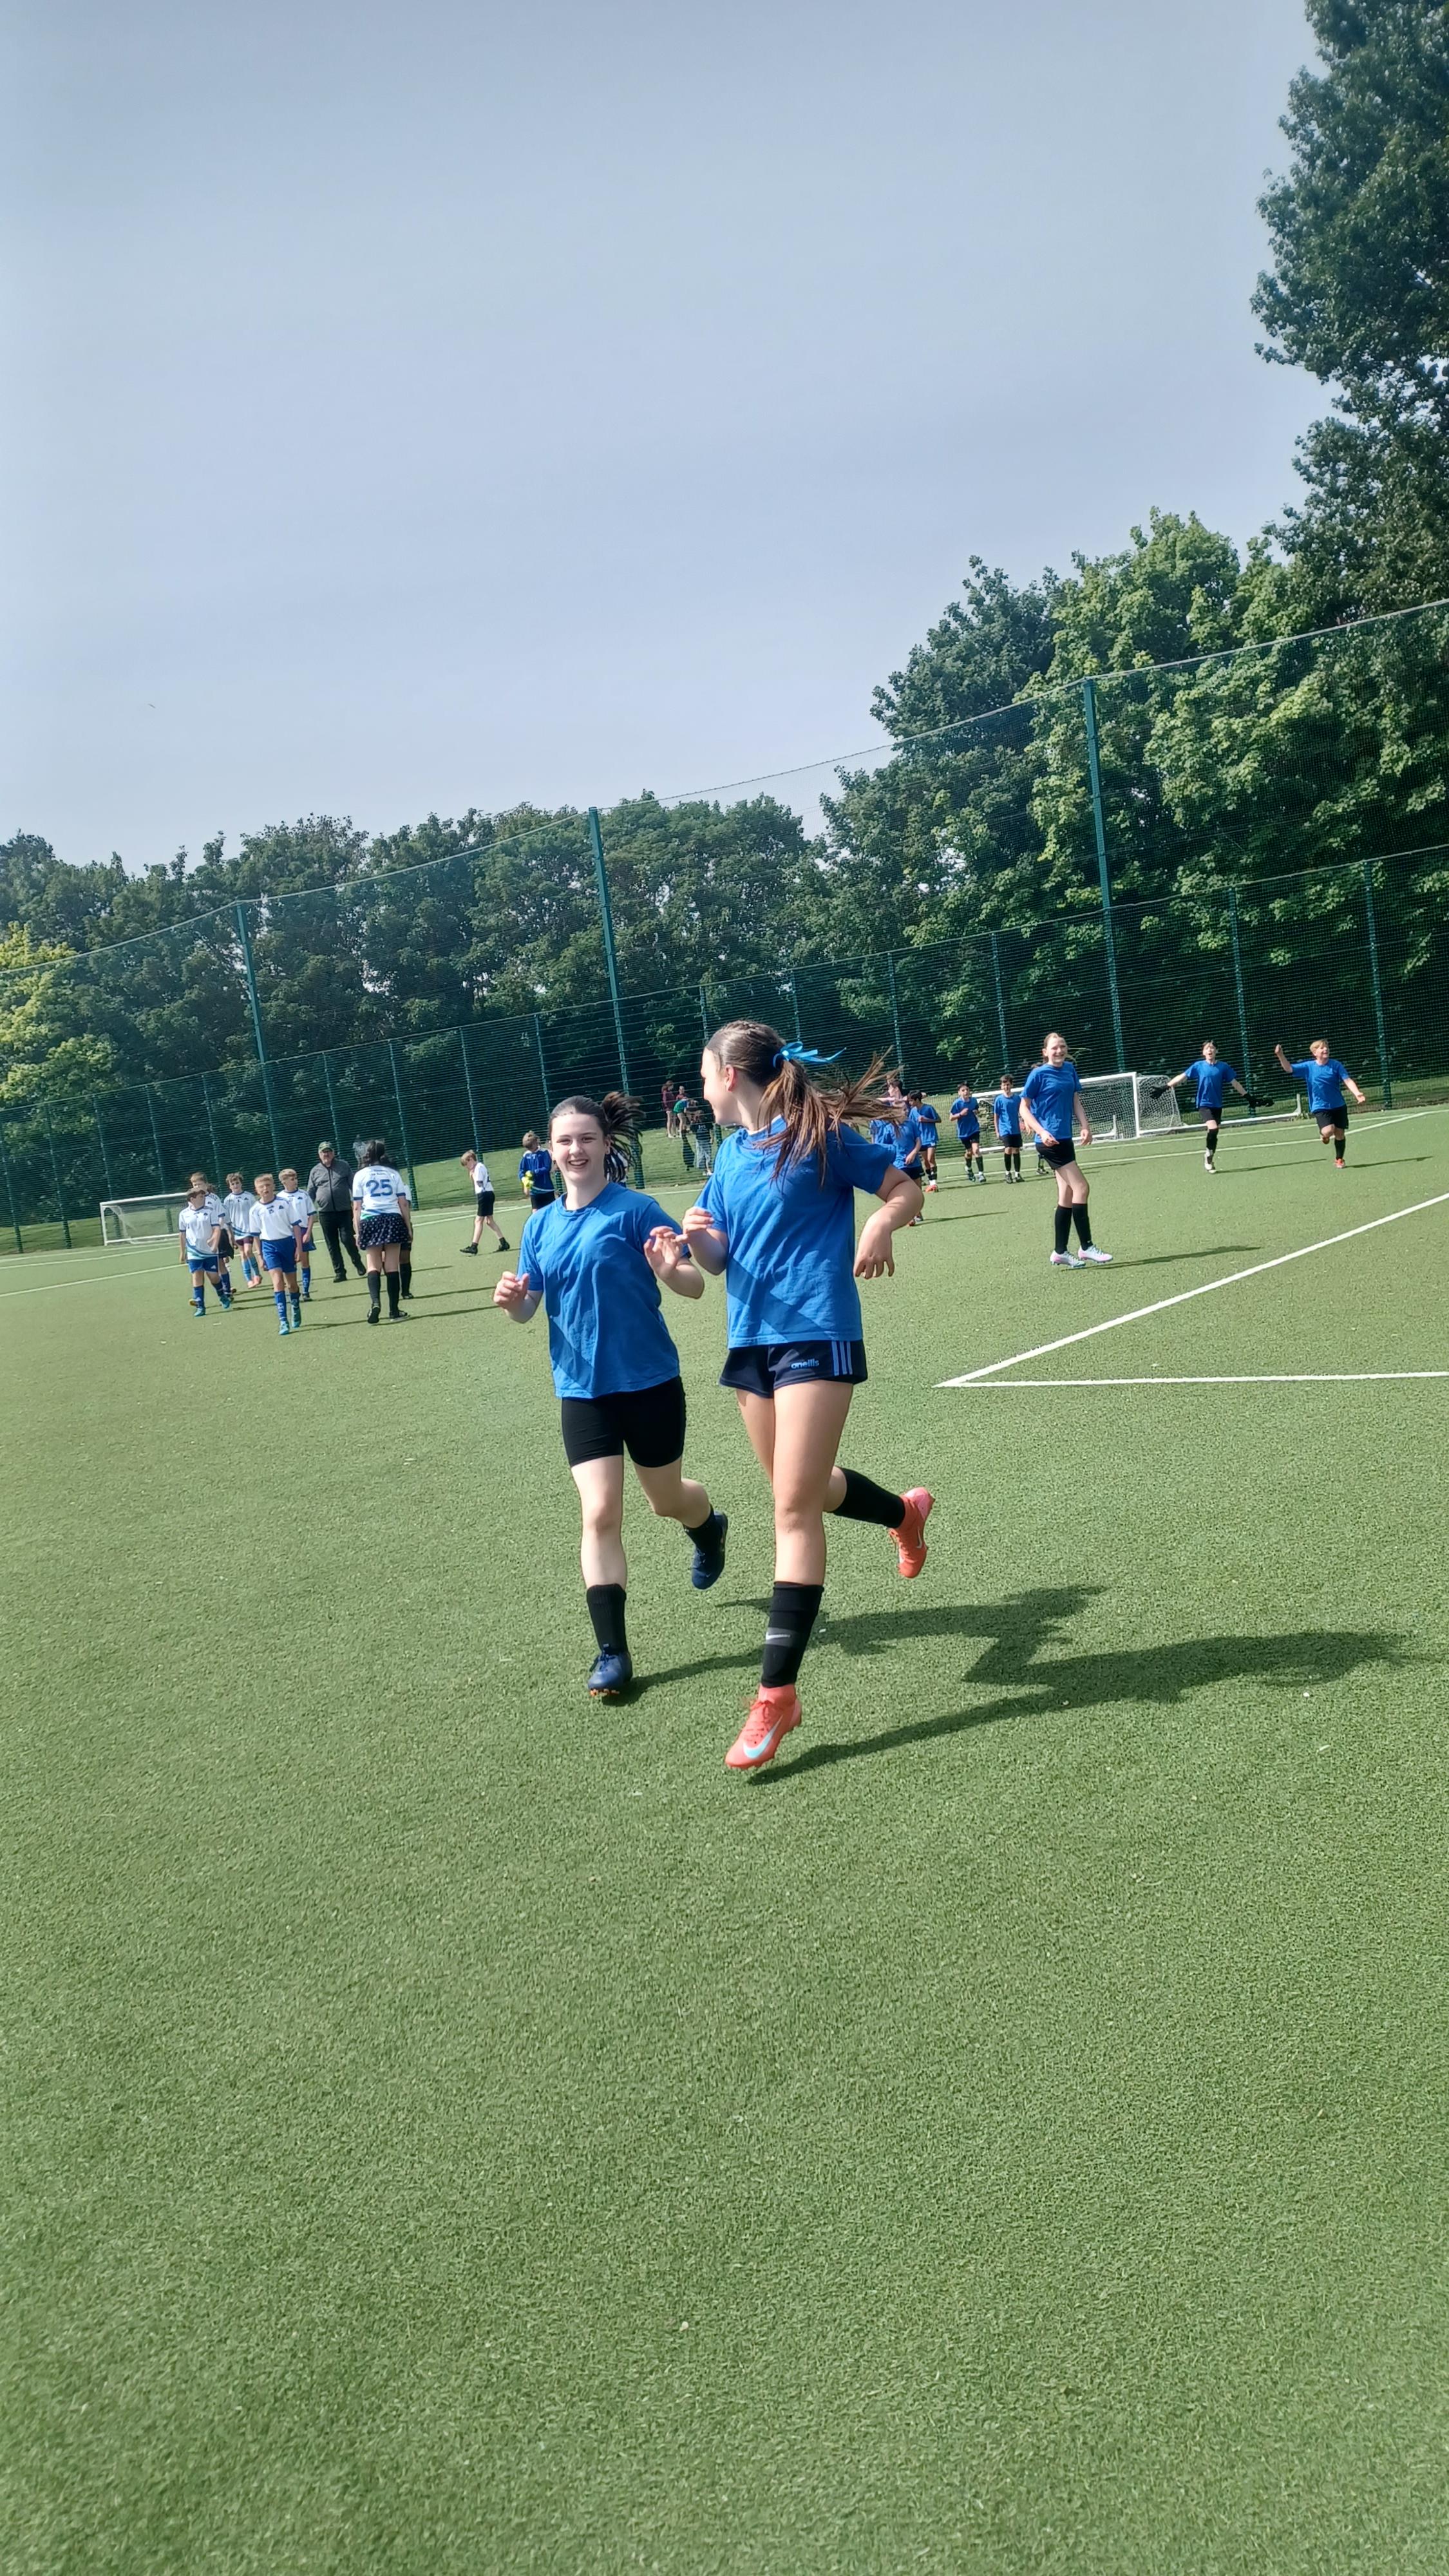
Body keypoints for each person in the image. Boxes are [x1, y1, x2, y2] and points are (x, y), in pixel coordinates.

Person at [683, 1023, 931, 1774]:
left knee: (791, 1509)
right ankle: (903, 1514)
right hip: (750, 1342)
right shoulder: (730, 1156)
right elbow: (719, 1258)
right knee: (806, 1490)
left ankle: (776, 1695)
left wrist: (882, 1222)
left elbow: (904, 1187)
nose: (699, 1088)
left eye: (703, 1074)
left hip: (818, 1333)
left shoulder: (817, 1135)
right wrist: (693, 1240)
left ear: (730, 1074)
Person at [495, 1091, 727, 1700]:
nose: (575, 1150)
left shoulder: (636, 1210)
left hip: (650, 1383)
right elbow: (528, 1308)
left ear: (604, 1145)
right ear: (550, 1151)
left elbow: (694, 1285)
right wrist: (514, 1302)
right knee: (599, 1512)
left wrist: (668, 1268)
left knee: (666, 1500)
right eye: (564, 1141)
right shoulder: (539, 1225)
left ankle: (708, 1527)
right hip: (582, 1392)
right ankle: (613, 1653)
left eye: (586, 1139)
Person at [1019, 1033, 1112, 1269]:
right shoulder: (1038, 1075)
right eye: (1054, 1048)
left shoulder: (1070, 1070)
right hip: (1049, 1142)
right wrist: (1041, 1132)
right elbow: (1024, 1108)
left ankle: (1060, 1252)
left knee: (1067, 1195)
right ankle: (1086, 1247)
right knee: (1082, 1187)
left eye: (1062, 1046)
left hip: (1065, 1138)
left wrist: (1085, 1125)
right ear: (1045, 1052)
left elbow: (1075, 1100)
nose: (1059, 1051)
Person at [1274, 1038, 1367, 1166]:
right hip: (1320, 1106)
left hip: (1338, 1105)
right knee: (1329, 1131)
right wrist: (1280, 1055)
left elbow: (1347, 1080)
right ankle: (1324, 1135)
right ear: (1315, 1053)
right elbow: (1289, 1068)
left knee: (1340, 1134)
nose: (1325, 1049)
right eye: (1322, 1048)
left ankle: (1339, 1159)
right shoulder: (1308, 1067)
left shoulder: (1336, 1065)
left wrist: (1357, 1093)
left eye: (1326, 1047)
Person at [1162, 1041, 1250, 1170]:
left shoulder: (1223, 1067)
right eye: (1207, 1049)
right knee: (1213, 1128)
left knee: (1214, 1132)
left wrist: (1247, 1096)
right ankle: (1208, 1155)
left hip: (1217, 1105)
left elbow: (1235, 1083)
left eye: (1212, 1048)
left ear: (1216, 1051)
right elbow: (1182, 1077)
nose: (1210, 1050)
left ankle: (1209, 1156)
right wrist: (1166, 1086)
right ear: (1203, 1052)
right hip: (1204, 1104)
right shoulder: (1198, 1066)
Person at [352, 1141, 412, 1323]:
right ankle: (394, 1310)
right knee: (392, 1267)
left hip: (370, 1220)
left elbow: (357, 1207)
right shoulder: (393, 1173)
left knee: (373, 1265)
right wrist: (408, 1227)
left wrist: (358, 1232)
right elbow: (403, 1203)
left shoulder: (360, 1175)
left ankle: (375, 1302)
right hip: (393, 1219)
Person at [251, 1173, 303, 1333]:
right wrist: (260, 1256)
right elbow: (256, 1235)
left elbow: (296, 1226)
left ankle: (295, 1306)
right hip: (269, 1247)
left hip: (287, 1244)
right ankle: (283, 1321)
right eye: (261, 1187)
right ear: (257, 1190)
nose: (265, 1189)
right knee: (278, 1282)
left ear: (274, 1186)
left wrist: (299, 1248)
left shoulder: (285, 1203)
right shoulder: (255, 1210)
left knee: (292, 1285)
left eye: (268, 1185)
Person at [308, 1144, 366, 1282]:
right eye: (323, 1152)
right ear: (319, 1155)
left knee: (348, 1239)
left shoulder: (343, 1166)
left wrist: (360, 1202)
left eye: (329, 1151)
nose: (326, 1154)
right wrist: (307, 1209)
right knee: (332, 1244)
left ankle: (357, 1262)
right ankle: (340, 1272)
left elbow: (353, 1185)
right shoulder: (315, 1171)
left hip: (344, 1211)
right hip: (325, 1213)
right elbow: (311, 1192)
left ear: (333, 1153)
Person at [177, 1184, 230, 1316]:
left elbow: (217, 1229)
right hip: (194, 1251)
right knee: (197, 1275)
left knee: (213, 1277)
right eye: (201, 1197)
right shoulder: (184, 1214)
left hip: (209, 1251)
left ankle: (222, 1295)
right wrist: (182, 1252)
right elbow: (182, 1234)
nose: (204, 1198)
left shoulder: (210, 1211)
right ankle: (201, 1306)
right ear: (192, 1199)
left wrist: (214, 1243)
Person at [459, 1148, 510, 1255]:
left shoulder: (478, 1168)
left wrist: (473, 1175)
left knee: (478, 1221)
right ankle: (503, 1243)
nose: (467, 1167)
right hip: (487, 1194)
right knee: (489, 1221)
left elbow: (479, 1183)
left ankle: (474, 1246)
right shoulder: (479, 1167)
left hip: (484, 1195)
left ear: (471, 1159)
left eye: (466, 1164)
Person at [278, 1168, 316, 1300]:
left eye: (296, 1178)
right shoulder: (279, 1198)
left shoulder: (303, 1195)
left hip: (303, 1231)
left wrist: (308, 1232)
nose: (295, 1181)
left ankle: (306, 1291)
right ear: (284, 1182)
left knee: (304, 1262)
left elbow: (311, 1215)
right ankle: (293, 1290)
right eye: (292, 1179)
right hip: (288, 1234)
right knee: (290, 1264)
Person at [222, 1171, 260, 1285]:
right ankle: (249, 1280)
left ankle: (257, 1275)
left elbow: (255, 1212)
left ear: (241, 1184)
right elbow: (227, 1219)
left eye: (237, 1183)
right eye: (232, 1184)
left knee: (248, 1251)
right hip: (236, 1231)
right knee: (243, 1254)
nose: (235, 1185)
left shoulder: (249, 1197)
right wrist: (230, 1234)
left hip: (248, 1230)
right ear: (229, 1186)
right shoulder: (227, 1200)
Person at [949, 1081, 985, 1182]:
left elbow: (977, 1110)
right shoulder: (957, 1103)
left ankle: (981, 1174)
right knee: (969, 1152)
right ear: (959, 1092)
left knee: (976, 1150)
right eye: (963, 1090)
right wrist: (960, 1114)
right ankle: (968, 1168)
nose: (966, 1092)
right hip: (963, 1132)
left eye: (967, 1090)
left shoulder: (974, 1101)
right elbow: (951, 1118)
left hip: (974, 1129)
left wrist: (977, 1112)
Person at [992, 1077, 1024, 1180]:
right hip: (1005, 1129)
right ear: (1001, 1086)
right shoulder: (999, 1100)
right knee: (1008, 1149)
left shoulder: (1017, 1099)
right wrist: (997, 1130)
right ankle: (1008, 1173)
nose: (1006, 1087)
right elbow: (996, 1116)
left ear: (1011, 1085)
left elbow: (1022, 1112)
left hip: (1015, 1129)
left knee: (1016, 1150)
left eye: (1008, 1085)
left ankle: (1017, 1174)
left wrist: (1023, 1122)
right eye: (1004, 1085)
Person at [518, 1131, 556, 1215]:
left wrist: (534, 1172)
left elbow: (547, 1167)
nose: (530, 1149)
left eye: (531, 1147)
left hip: (546, 1188)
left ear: (536, 1142)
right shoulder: (526, 1155)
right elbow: (521, 1171)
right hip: (534, 1190)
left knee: (551, 1211)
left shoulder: (544, 1153)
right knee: (535, 1212)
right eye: (528, 1148)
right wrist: (524, 1179)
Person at [910, 1092, 942, 1189]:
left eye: (911, 1101)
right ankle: (931, 1181)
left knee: (930, 1158)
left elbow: (938, 1120)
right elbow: (911, 1124)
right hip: (921, 1140)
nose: (910, 1103)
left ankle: (934, 1183)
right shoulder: (913, 1111)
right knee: (926, 1161)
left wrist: (926, 1120)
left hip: (931, 1137)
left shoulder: (929, 1108)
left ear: (917, 1100)